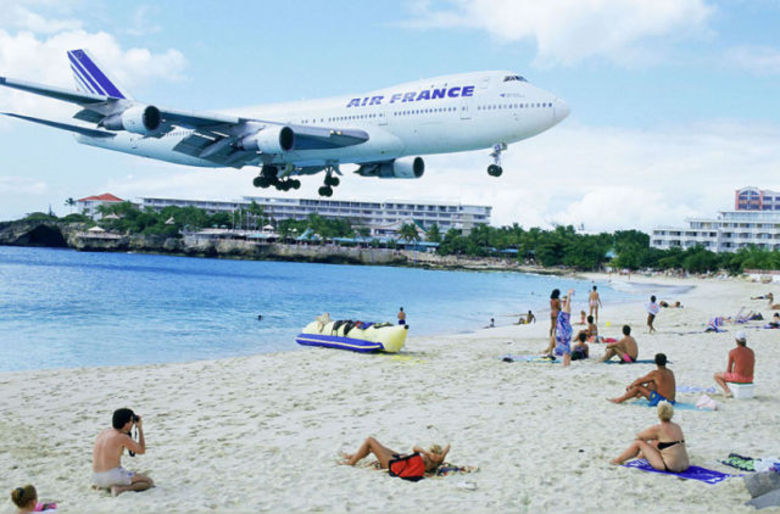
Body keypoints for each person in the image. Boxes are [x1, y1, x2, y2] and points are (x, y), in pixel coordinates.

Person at [609, 401, 689, 473]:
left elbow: (639, 436)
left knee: (639, 443)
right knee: (656, 443)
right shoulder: (677, 427)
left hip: (669, 467)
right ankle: (640, 457)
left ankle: (617, 460)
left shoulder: (658, 428)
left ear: (659, 414)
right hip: (685, 465)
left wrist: (651, 438)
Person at [92, 408, 154, 496]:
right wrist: (140, 428)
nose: (133, 423)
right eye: (132, 421)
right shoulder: (121, 437)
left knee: (134, 474)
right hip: (111, 476)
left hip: (96, 477)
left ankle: (103, 486)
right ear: (126, 423)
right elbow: (141, 450)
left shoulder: (103, 433)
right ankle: (121, 489)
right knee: (148, 482)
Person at [341, 436, 450, 473]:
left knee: (370, 441)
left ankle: (351, 462)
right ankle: (353, 456)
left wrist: (426, 453)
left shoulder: (428, 460)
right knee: (374, 447)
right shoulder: (436, 461)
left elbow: (415, 448)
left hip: (394, 464)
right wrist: (442, 454)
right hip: (401, 460)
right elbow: (447, 448)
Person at [609, 353, 675, 404]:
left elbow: (639, 381)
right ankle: (638, 395)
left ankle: (619, 400)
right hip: (671, 401)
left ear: (656, 362)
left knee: (638, 387)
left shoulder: (655, 373)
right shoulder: (670, 372)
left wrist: (630, 386)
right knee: (651, 383)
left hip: (660, 401)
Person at [714, 330, 755, 398]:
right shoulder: (751, 351)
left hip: (738, 378)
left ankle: (728, 392)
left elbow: (729, 369)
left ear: (736, 340)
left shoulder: (733, 352)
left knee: (716, 375)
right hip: (750, 378)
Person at [552, 289, 574, 367]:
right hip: (563, 330)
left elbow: (568, 303)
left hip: (564, 331)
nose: (563, 302)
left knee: (565, 349)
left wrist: (569, 295)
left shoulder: (567, 308)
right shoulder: (563, 309)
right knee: (566, 349)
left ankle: (566, 364)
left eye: (565, 301)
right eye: (563, 301)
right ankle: (567, 364)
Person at [542, 289, 562, 354]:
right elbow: (559, 307)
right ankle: (554, 339)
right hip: (557, 313)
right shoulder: (557, 300)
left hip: (552, 313)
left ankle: (551, 337)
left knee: (552, 326)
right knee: (556, 327)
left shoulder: (551, 300)